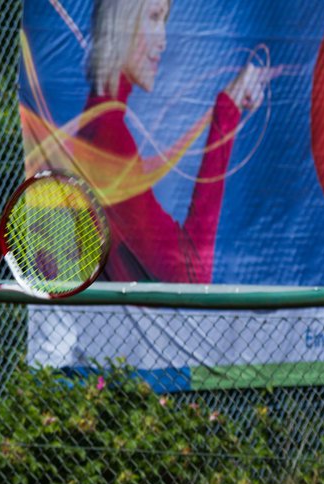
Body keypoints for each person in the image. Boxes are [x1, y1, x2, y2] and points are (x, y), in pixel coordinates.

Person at [78, 0, 270, 282]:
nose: (163, 41)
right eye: (154, 18)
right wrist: (226, 115)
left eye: (164, 21)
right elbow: (191, 273)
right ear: (122, 22)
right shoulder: (109, 138)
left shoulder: (97, 126)